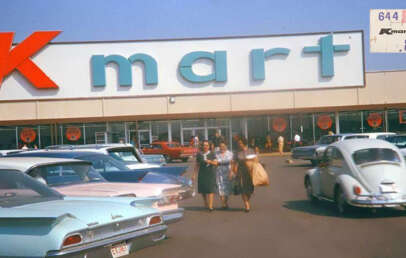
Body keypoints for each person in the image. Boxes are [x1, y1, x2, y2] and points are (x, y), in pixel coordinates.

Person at [193, 140, 217, 212]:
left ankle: (210, 206)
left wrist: (210, 161)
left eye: (207, 145)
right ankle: (205, 202)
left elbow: (216, 163)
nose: (205, 147)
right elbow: (197, 165)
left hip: (210, 173)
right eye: (204, 145)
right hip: (202, 173)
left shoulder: (212, 154)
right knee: (203, 189)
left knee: (210, 189)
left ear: (209, 146)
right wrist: (194, 174)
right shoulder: (199, 154)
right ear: (202, 146)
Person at [233, 137, 255, 212]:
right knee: (242, 188)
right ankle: (246, 204)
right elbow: (235, 163)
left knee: (249, 188)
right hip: (241, 170)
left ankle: (247, 199)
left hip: (250, 170)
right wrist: (234, 171)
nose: (239, 145)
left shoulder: (251, 151)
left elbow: (255, 160)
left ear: (244, 143)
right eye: (238, 143)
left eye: (240, 143)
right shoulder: (237, 152)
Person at [213, 141, 233, 209]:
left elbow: (231, 163)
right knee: (220, 186)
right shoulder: (216, 153)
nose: (222, 147)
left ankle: (226, 202)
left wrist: (231, 172)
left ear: (226, 146)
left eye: (223, 146)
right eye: (221, 146)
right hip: (219, 171)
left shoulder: (230, 153)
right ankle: (223, 203)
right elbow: (215, 162)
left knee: (227, 187)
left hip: (227, 171)